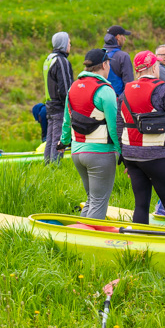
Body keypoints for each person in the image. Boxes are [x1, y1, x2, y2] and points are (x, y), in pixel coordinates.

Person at [117, 51, 165, 226]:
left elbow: (119, 124)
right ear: (154, 67)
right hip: (155, 155)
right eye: (158, 65)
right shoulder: (162, 89)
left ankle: (139, 243)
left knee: (141, 205)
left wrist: (123, 156)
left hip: (131, 156)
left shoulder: (126, 90)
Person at [57, 49, 120, 219]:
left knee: (91, 200)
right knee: (99, 203)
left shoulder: (73, 87)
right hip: (100, 153)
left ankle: (77, 236)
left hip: (77, 152)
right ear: (105, 65)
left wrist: (63, 142)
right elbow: (114, 127)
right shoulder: (105, 90)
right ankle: (89, 240)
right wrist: (122, 152)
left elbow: (66, 121)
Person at [42, 31, 74, 164]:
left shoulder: (49, 59)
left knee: (50, 139)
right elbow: (65, 88)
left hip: (49, 106)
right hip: (59, 107)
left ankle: (47, 166)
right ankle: (55, 167)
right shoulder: (61, 61)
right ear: (63, 44)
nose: (70, 45)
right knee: (58, 139)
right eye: (69, 42)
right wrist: (71, 107)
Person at [103, 25, 133, 96]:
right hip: (118, 100)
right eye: (123, 36)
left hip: (101, 100)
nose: (125, 39)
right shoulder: (123, 56)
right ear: (118, 37)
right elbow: (129, 84)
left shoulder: (100, 54)